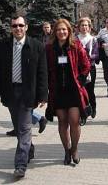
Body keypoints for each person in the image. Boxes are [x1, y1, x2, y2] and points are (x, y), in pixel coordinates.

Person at [0, 13, 48, 178]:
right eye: (14, 26)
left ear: (26, 27)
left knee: (24, 128)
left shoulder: (36, 46)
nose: (18, 28)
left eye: (21, 25)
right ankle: (29, 148)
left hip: (28, 93)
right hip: (10, 92)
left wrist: (43, 94)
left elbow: (42, 73)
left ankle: (20, 165)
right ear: (11, 28)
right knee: (18, 127)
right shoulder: (2, 46)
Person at [45, 18, 91, 165]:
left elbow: (86, 64)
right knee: (62, 122)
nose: (61, 32)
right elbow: (44, 68)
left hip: (74, 91)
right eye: (58, 29)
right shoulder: (49, 48)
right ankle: (66, 150)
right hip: (58, 91)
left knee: (74, 121)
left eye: (64, 29)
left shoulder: (75, 45)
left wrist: (81, 81)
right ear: (55, 32)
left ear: (69, 30)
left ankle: (75, 149)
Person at [77, 17, 99, 118]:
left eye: (86, 25)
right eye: (82, 25)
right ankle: (83, 111)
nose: (84, 27)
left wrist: (87, 58)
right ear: (79, 27)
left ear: (89, 27)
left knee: (90, 90)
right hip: (78, 69)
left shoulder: (93, 39)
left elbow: (96, 54)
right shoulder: (75, 39)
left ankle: (93, 107)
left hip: (90, 68)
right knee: (81, 90)